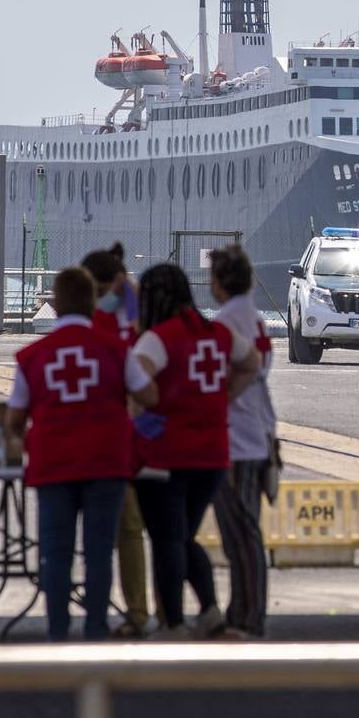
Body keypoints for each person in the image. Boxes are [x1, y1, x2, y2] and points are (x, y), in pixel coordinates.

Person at [6, 267, 143, 641]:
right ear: (91, 303)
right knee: (99, 551)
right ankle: (96, 629)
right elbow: (148, 395)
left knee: (56, 551)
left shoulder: (33, 356)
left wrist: (23, 438)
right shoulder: (118, 352)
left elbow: (14, 419)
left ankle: (57, 632)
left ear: (57, 302)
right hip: (107, 463)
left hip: (53, 465)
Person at [128, 264, 261, 640]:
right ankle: (210, 612)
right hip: (212, 454)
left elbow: (138, 379)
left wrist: (147, 407)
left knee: (167, 539)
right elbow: (251, 363)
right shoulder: (218, 332)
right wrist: (222, 397)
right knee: (184, 535)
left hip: (165, 454)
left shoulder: (158, 338)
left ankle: (172, 622)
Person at [80, 243, 151, 638]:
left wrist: (123, 283)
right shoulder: (112, 317)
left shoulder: (118, 316)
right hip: (116, 436)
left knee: (120, 529)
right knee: (124, 529)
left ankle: (122, 612)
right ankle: (129, 610)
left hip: (117, 438)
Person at [209, 245, 278, 639]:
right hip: (259, 433)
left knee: (242, 535)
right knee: (244, 533)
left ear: (218, 283)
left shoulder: (226, 323)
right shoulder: (255, 319)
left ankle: (249, 618)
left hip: (236, 437)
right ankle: (242, 611)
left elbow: (227, 378)